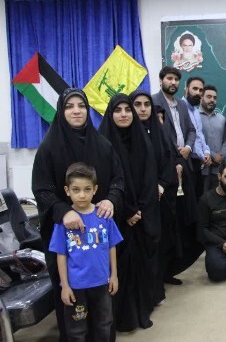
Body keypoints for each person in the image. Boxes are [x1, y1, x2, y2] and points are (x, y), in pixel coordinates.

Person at [32, 88, 124, 342]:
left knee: (103, 309)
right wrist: (63, 211)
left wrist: (111, 199)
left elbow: (118, 179)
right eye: (69, 106)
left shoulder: (103, 145)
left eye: (81, 106)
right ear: (61, 112)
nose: (76, 111)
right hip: (65, 234)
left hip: (97, 236)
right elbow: (41, 189)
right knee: (73, 311)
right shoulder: (48, 148)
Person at [99, 94, 161, 332]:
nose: (124, 114)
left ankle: (141, 310)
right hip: (117, 217)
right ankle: (123, 317)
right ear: (110, 114)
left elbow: (149, 178)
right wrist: (126, 211)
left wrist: (140, 210)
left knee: (142, 265)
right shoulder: (103, 143)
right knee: (120, 267)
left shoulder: (142, 141)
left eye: (127, 109)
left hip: (142, 216)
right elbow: (104, 183)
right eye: (118, 110)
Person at [49, 162, 123, 342]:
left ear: (95, 189)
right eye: (76, 190)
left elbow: (111, 246)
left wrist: (114, 275)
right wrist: (65, 286)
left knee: (104, 323)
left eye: (87, 189)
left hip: (102, 283)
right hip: (76, 287)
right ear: (67, 191)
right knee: (76, 330)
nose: (82, 195)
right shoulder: (64, 222)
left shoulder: (104, 216)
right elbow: (61, 255)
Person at [152, 66, 202, 285]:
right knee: (168, 222)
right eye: (169, 78)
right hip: (166, 167)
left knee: (183, 219)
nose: (173, 82)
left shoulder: (181, 104)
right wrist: (175, 155)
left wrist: (188, 148)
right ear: (161, 80)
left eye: (176, 79)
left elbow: (191, 130)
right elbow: (157, 135)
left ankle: (173, 267)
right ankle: (160, 272)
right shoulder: (153, 102)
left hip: (185, 164)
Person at [130, 89, 178, 306]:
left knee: (159, 245)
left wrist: (161, 184)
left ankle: (156, 290)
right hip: (137, 203)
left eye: (146, 104)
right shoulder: (127, 135)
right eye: (137, 104)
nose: (142, 109)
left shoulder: (158, 132)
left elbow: (168, 161)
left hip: (159, 198)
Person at [183, 76, 212, 197]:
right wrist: (202, 155)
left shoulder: (195, 110)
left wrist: (206, 152)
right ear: (186, 89)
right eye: (194, 89)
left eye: (201, 90)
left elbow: (199, 134)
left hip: (197, 162)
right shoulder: (180, 107)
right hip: (186, 161)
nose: (198, 93)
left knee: (198, 197)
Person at [199, 85, 226, 193]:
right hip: (201, 168)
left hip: (219, 169)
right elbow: (196, 140)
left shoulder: (222, 118)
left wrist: (220, 156)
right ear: (201, 97)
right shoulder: (194, 117)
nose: (212, 100)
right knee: (202, 198)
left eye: (214, 98)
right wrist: (213, 155)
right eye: (209, 97)